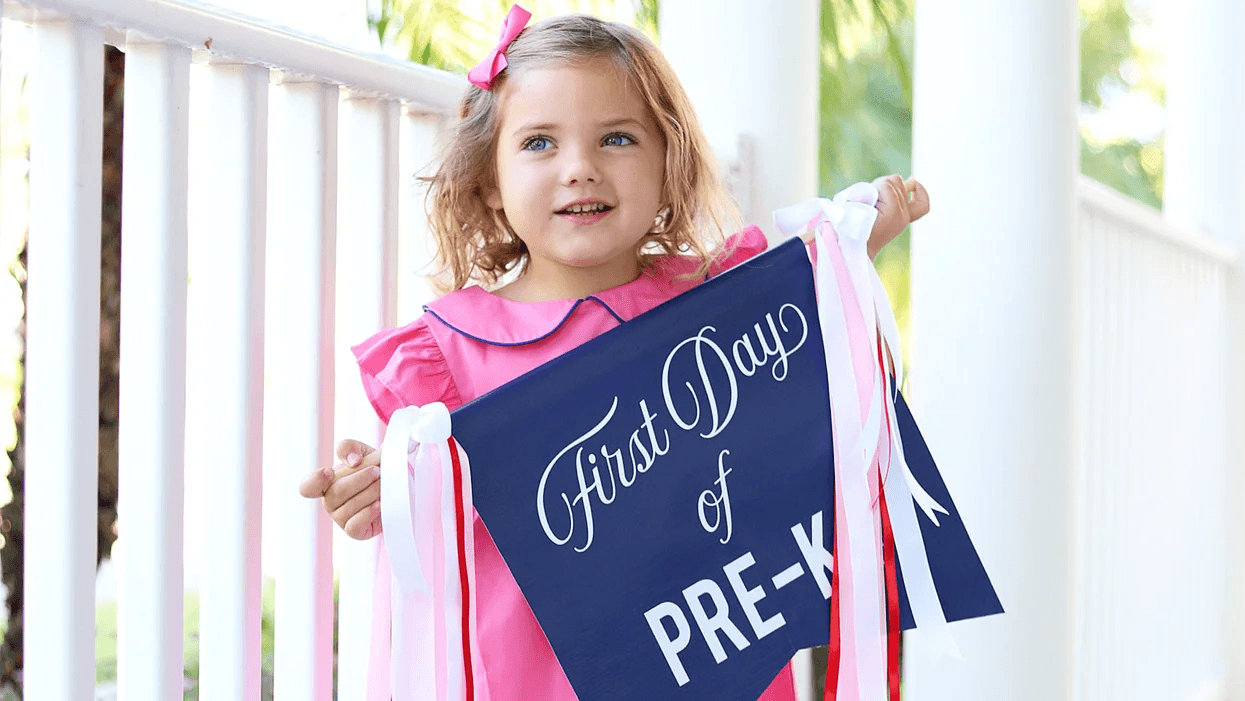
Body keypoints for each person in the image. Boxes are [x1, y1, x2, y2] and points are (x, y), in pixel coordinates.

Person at [298, 7, 928, 700]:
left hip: (708, 664)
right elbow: (424, 504)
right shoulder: (446, 354)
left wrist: (855, 240)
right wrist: (376, 486)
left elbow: (808, 318)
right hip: (530, 677)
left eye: (617, 138)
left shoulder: (719, 307)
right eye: (539, 143)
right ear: (489, 182)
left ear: (668, 164)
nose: (580, 169)